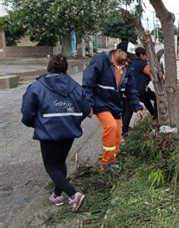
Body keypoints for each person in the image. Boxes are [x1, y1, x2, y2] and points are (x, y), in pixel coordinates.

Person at [21, 55, 89, 212]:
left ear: (48, 68)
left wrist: (35, 124)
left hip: (48, 132)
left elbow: (27, 112)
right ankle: (57, 195)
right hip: (69, 131)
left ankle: (74, 195)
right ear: (66, 69)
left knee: (51, 167)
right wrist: (73, 121)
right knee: (60, 163)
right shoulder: (75, 86)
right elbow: (85, 108)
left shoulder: (37, 86)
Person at [82, 41, 145, 172]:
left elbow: (131, 90)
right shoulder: (100, 61)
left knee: (117, 133)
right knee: (111, 126)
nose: (128, 61)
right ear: (119, 51)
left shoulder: (127, 68)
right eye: (127, 57)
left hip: (115, 104)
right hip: (100, 102)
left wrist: (137, 107)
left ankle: (113, 159)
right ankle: (105, 164)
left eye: (130, 58)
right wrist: (89, 104)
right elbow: (88, 83)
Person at [122, 47, 157, 137]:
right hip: (140, 90)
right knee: (155, 97)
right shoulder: (143, 64)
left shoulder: (130, 64)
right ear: (141, 55)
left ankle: (125, 131)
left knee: (128, 111)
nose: (146, 57)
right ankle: (155, 115)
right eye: (145, 55)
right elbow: (152, 75)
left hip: (129, 91)